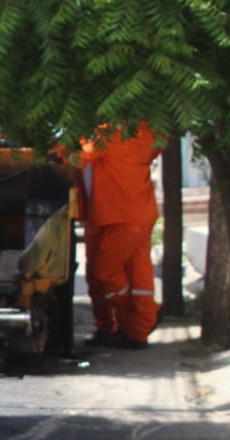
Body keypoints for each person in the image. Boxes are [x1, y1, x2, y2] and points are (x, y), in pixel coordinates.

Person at [78, 122, 162, 349]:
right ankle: (135, 326)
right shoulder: (149, 130)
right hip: (126, 212)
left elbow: (82, 156)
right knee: (137, 273)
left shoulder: (113, 132)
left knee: (103, 272)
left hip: (118, 214)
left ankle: (132, 325)